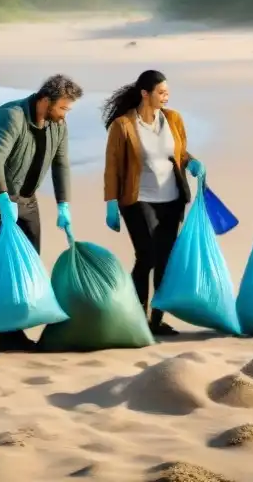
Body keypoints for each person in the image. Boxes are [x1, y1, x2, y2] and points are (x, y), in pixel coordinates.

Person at [0, 74, 84, 357]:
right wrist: (3, 201)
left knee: (25, 264)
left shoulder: (58, 126)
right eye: (63, 108)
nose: (65, 114)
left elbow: (61, 165)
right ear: (45, 101)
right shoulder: (11, 116)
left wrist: (63, 205)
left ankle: (12, 333)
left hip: (27, 199)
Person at [102, 70, 204, 337]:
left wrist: (191, 161)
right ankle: (138, 318)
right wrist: (111, 202)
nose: (166, 96)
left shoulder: (173, 119)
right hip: (137, 199)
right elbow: (112, 167)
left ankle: (156, 320)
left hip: (171, 199)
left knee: (165, 261)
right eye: (161, 92)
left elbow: (179, 153)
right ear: (145, 94)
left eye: (167, 91)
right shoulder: (123, 125)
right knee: (146, 255)